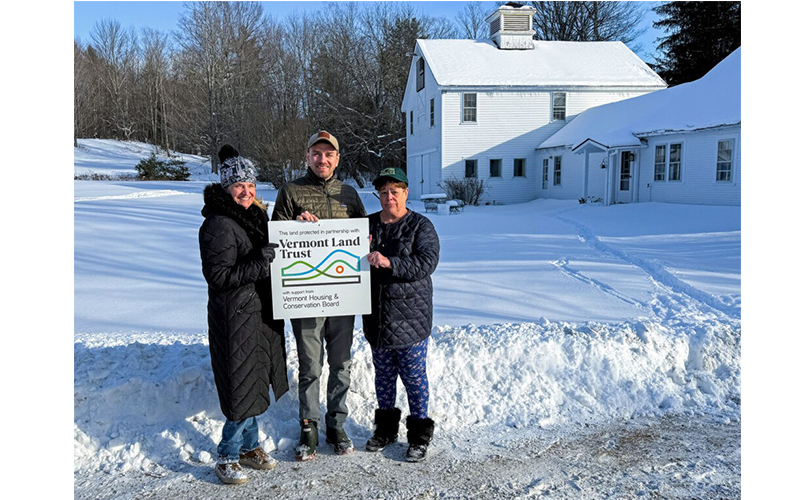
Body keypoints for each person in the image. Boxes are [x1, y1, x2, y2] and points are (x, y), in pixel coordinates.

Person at [271, 131, 367, 461]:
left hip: (343, 295)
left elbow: (364, 237)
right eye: (316, 153)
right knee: (311, 365)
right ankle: (309, 426)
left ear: (337, 159)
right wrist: (294, 225)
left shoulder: (350, 195)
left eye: (329, 154)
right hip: (307, 295)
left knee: (341, 363)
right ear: (308, 156)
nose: (322, 159)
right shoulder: (290, 191)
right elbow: (276, 238)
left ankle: (336, 424)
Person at [199, 145, 288, 484]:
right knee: (240, 388)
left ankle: (250, 448)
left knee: (253, 383)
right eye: (239, 187)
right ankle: (226, 455)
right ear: (226, 188)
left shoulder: (253, 218)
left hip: (257, 314)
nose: (246, 192)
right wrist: (260, 261)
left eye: (251, 186)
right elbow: (219, 278)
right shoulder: (219, 225)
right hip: (234, 319)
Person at [363, 167, 440, 462]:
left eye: (395, 191)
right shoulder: (367, 225)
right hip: (378, 317)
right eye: (383, 192)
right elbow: (338, 244)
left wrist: (390, 263)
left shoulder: (421, 226)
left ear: (406, 193)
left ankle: (419, 435)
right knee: (383, 377)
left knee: (414, 377)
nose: (389, 197)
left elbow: (426, 262)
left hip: (411, 318)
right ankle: (385, 430)